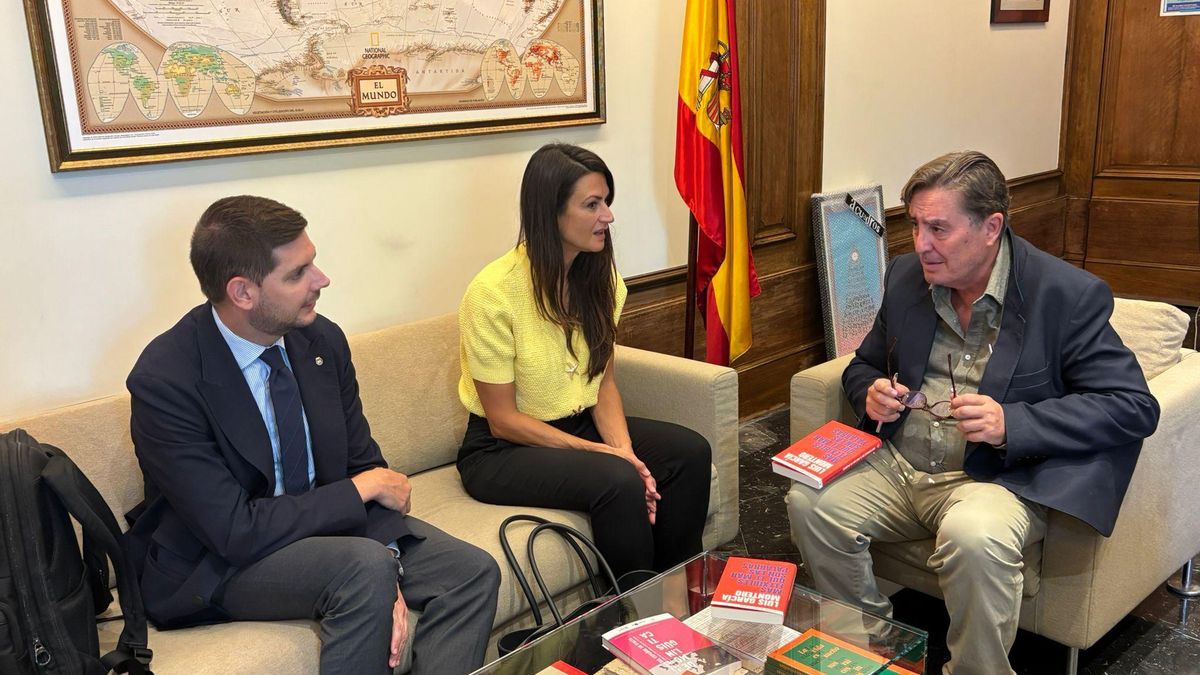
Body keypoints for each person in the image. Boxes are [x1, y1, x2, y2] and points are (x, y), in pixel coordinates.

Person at [785, 151, 1160, 675]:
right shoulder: (906, 276)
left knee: (974, 535)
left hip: (995, 477)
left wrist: (1014, 424)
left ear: (991, 227)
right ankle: (871, 653)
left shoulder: (1066, 296)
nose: (921, 245)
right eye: (915, 225)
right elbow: (863, 365)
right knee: (811, 501)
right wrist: (869, 389)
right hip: (898, 465)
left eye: (938, 228)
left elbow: (1133, 407)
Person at [124, 196, 500, 675]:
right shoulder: (166, 379)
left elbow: (365, 466)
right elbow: (234, 531)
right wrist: (366, 530)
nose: (321, 280)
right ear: (243, 292)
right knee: (361, 570)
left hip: (325, 532)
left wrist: (388, 558)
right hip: (219, 562)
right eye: (298, 273)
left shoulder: (320, 341)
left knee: (470, 572)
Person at [456, 143, 712, 578]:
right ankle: (631, 619)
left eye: (607, 202)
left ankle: (677, 597)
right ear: (550, 213)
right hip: (502, 449)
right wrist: (609, 457)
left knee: (689, 452)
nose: (607, 216)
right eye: (592, 204)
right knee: (617, 481)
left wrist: (626, 452)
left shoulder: (601, 279)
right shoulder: (493, 292)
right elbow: (502, 420)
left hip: (576, 422)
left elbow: (602, 384)